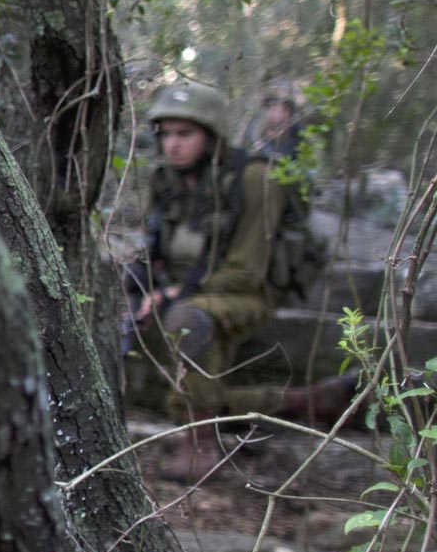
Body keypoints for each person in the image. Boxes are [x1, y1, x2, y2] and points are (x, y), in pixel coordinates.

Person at [126, 78, 355, 479]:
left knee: (188, 322)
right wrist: (147, 285)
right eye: (166, 135)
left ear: (211, 135)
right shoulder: (167, 180)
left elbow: (246, 271)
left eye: (185, 134)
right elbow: (154, 248)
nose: (172, 145)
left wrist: (177, 293)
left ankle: (200, 445)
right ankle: (303, 401)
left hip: (245, 295)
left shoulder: (255, 179)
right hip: (183, 293)